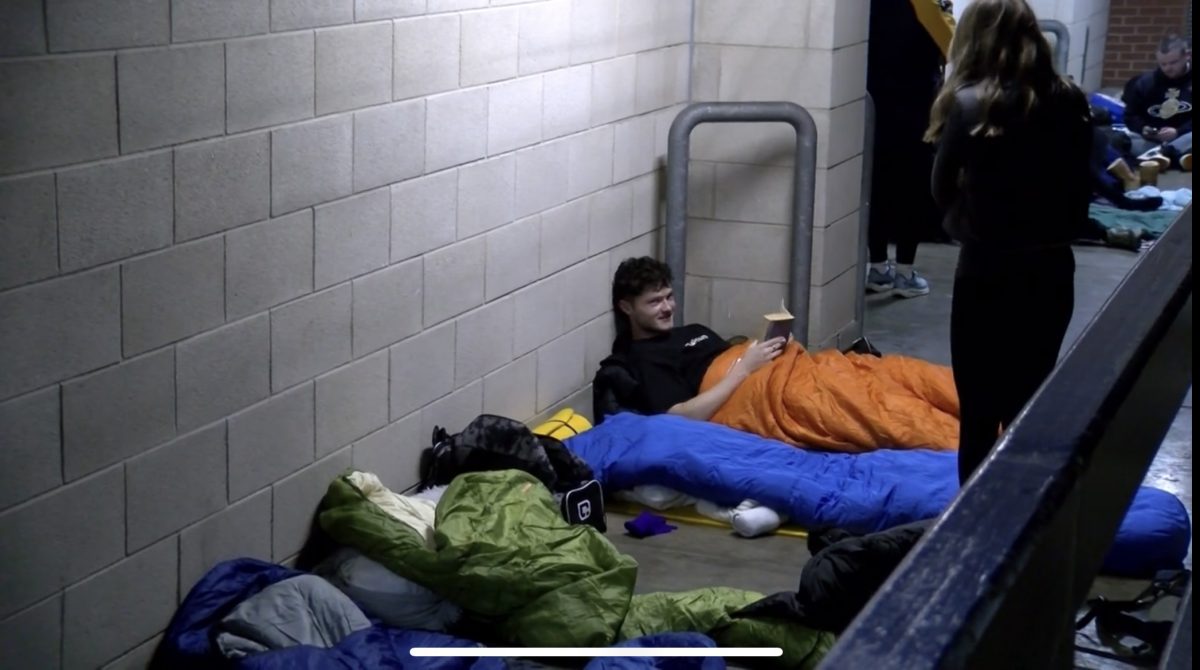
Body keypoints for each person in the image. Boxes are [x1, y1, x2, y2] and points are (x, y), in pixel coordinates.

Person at [927, 0, 1092, 484]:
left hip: (987, 267)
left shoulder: (969, 102)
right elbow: (1081, 183)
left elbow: (940, 189)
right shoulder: (1071, 98)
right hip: (1051, 265)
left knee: (979, 409)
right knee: (1029, 400)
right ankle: (1020, 512)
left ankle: (971, 522)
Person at [591, 257, 786, 423]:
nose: (667, 308)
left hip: (774, 373)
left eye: (669, 297)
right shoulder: (644, 356)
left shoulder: (693, 330)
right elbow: (680, 416)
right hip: (757, 392)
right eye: (655, 302)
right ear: (626, 308)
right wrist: (744, 369)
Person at [864, 0, 955, 298]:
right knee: (912, 190)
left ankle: (877, 266)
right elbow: (951, 45)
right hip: (916, 108)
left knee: (875, 184)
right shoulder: (926, 4)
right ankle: (905, 272)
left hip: (874, 106)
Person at [1121, 34, 1193, 170]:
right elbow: (1130, 116)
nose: (1168, 68)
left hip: (1184, 138)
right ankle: (1172, 158)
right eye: (1163, 64)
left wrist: (1178, 132)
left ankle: (1163, 155)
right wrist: (1143, 128)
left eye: (1173, 63)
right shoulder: (1145, 83)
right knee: (1118, 139)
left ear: (1187, 56)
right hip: (1151, 141)